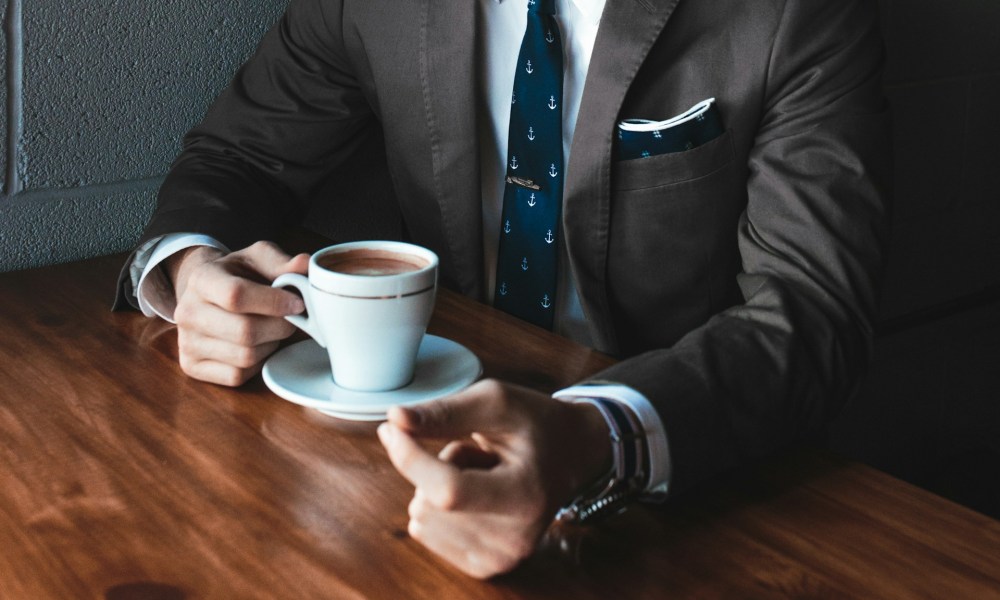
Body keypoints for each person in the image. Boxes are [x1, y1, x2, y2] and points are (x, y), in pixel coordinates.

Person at [115, 0, 891, 579]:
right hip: (399, 469)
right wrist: (187, 269)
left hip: (689, 498)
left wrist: (597, 437)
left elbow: (812, 309)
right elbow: (238, 158)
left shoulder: (797, 13)